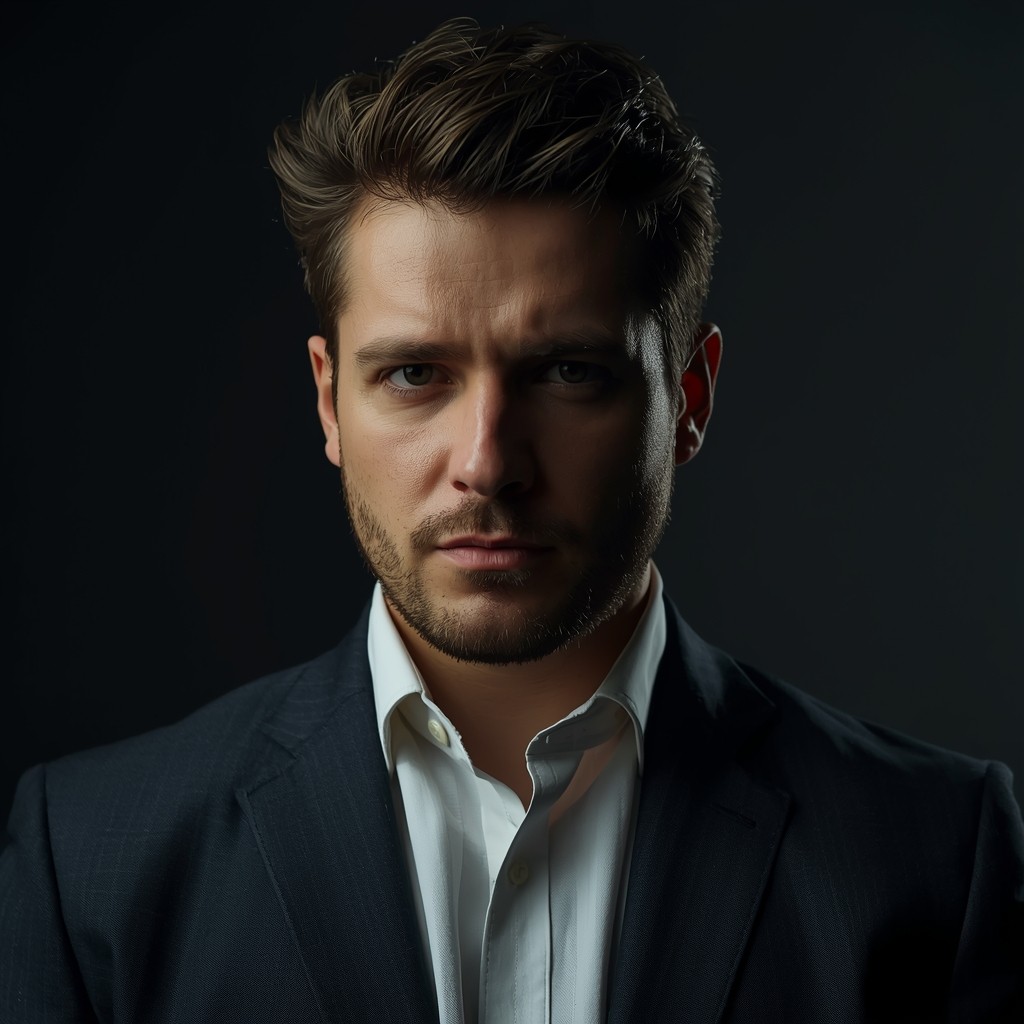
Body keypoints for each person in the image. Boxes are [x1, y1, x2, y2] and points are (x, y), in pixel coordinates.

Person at [1, 16, 1021, 1023]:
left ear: (690, 400)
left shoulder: (935, 854)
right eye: (413, 374)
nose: (486, 462)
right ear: (327, 403)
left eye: (569, 372)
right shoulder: (87, 863)